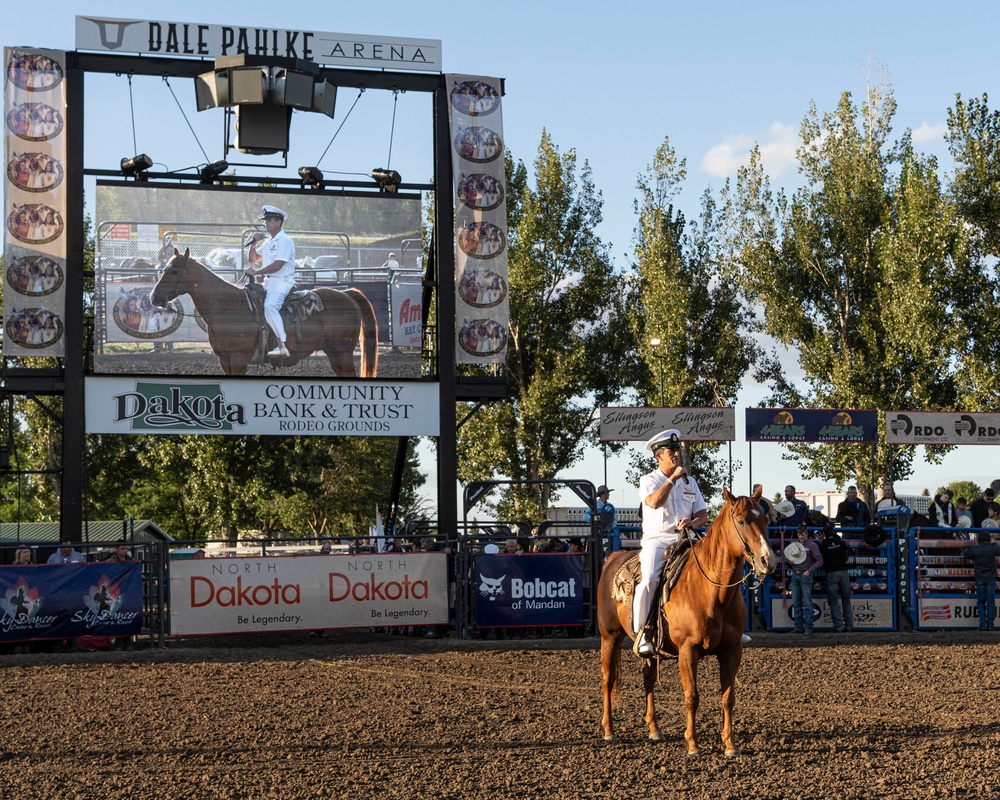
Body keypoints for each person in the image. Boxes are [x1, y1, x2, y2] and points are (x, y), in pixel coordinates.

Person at [633, 429, 708, 656]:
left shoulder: (690, 481)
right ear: (659, 456)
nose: (676, 454)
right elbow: (654, 503)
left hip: (688, 537)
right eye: (671, 451)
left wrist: (693, 523)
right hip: (659, 539)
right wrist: (673, 479)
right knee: (648, 580)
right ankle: (643, 633)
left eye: (677, 450)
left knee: (718, 566)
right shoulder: (649, 480)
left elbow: (703, 515)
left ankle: (729, 627)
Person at [245, 205, 296, 357]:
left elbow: (278, 265)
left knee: (270, 306)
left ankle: (282, 346)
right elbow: (253, 259)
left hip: (282, 282)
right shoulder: (269, 241)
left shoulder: (284, 240)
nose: (265, 223)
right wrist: (253, 243)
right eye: (265, 220)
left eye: (269, 220)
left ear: (278, 222)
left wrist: (257, 272)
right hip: (269, 282)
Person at [784, 524, 822, 634]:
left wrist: (809, 571)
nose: (801, 536)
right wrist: (790, 562)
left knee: (806, 603)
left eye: (802, 534)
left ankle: (808, 627)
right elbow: (819, 561)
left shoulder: (812, 546)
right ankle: (799, 627)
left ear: (806, 534)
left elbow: (820, 561)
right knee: (796, 602)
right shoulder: (797, 546)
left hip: (804, 575)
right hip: (797, 574)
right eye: (799, 534)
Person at [818, 522, 853, 632]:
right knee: (846, 599)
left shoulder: (823, 545)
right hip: (843, 571)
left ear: (824, 534)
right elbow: (846, 556)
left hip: (832, 573)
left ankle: (838, 626)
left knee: (833, 601)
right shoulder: (841, 543)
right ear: (833, 531)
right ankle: (849, 625)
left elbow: (822, 560)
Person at [963, 531, 1000, 630]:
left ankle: (982, 625)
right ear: (989, 539)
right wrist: (993, 543)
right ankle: (991, 625)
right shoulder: (992, 548)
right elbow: (998, 551)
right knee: (990, 602)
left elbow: (966, 554)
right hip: (991, 578)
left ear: (978, 539)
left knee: (980, 602)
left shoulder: (975, 549)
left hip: (980, 578)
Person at [584, 485, 619, 552]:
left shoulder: (610, 505)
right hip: (598, 532)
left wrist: (611, 526)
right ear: (602, 494)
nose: (609, 494)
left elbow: (614, 520)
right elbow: (585, 516)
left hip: (608, 532)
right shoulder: (594, 505)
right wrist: (595, 520)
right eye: (607, 493)